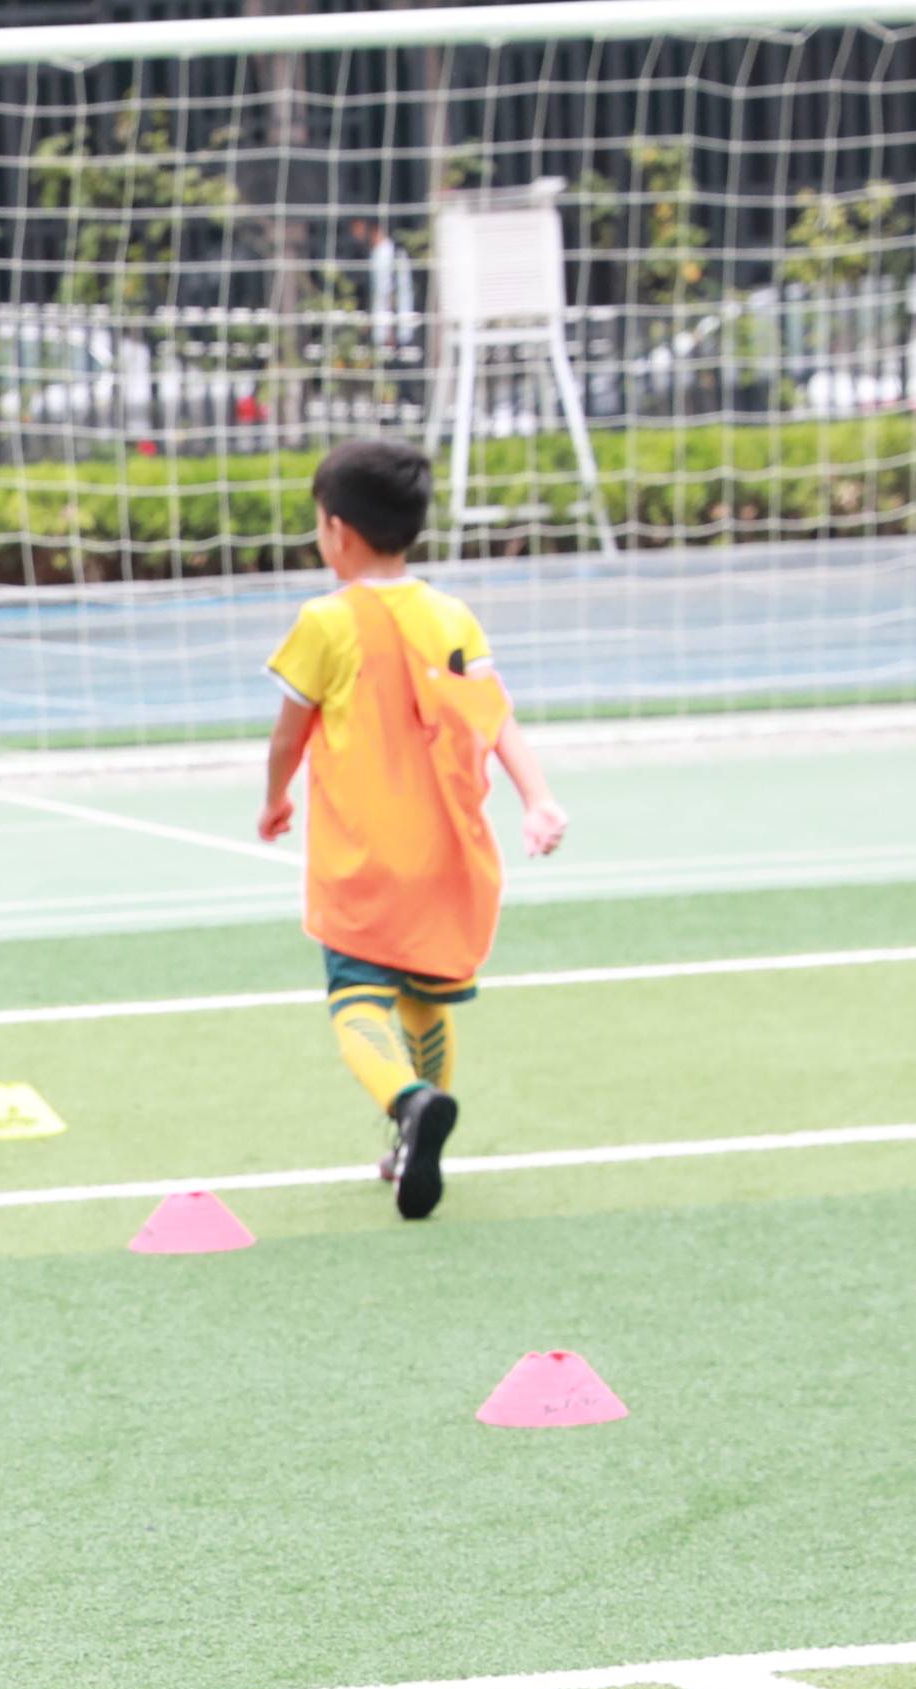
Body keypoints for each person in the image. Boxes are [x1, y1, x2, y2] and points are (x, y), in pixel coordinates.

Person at [253, 439, 569, 1221]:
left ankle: (409, 1102)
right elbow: (496, 718)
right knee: (427, 1002)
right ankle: (414, 1148)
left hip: (364, 859)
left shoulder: (324, 621)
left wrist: (273, 799)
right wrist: (539, 798)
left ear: (337, 530)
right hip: (447, 853)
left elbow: (289, 734)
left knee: (358, 1001)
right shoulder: (451, 614)